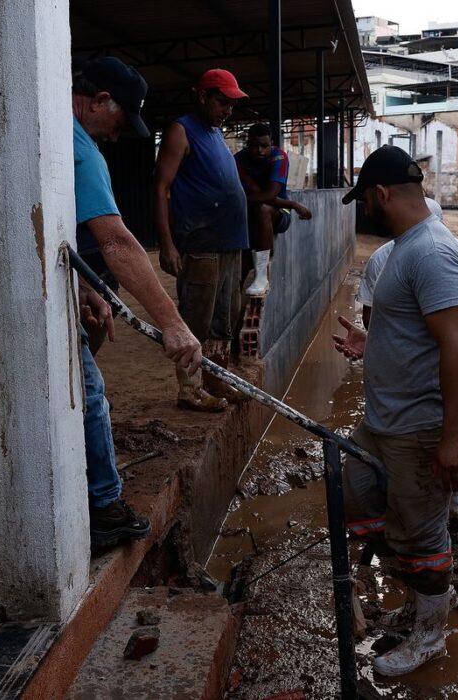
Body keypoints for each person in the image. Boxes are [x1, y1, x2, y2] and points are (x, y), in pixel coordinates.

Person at [335, 146, 458, 677]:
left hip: (418, 429)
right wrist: (372, 342)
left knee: (422, 533)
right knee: (361, 498)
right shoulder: (403, 250)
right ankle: (424, 598)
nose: (366, 210)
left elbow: (456, 345)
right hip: (381, 423)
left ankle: (430, 634)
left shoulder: (431, 254)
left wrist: (452, 437)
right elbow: (415, 336)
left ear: (383, 194)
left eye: (367, 200)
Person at [70, 57, 203, 547]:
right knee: (87, 394)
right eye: (119, 121)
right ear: (101, 101)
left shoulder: (54, 133)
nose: (115, 134)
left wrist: (84, 286)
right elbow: (119, 243)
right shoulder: (80, 150)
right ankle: (103, 508)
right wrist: (172, 323)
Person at [337, 197, 458, 524]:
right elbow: (377, 319)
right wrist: (378, 343)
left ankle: (454, 501)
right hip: (411, 374)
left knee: (456, 425)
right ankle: (413, 506)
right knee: (411, 450)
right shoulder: (382, 260)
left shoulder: (449, 252)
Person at [154, 69, 250, 411]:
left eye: (231, 104)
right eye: (222, 101)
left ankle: (215, 379)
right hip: (201, 242)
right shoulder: (182, 130)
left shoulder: (215, 134)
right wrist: (167, 243)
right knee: (196, 318)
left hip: (229, 241)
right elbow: (162, 187)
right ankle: (190, 389)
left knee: (224, 317)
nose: (227, 110)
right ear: (202, 96)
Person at [235, 123, 314, 297]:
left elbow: (270, 194)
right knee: (237, 273)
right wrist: (293, 204)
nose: (260, 151)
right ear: (248, 144)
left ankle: (262, 275)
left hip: (278, 214)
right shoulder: (239, 160)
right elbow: (257, 193)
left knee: (263, 208)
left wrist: (239, 200)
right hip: (248, 216)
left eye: (264, 146)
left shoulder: (279, 157)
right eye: (255, 146)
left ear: (271, 143)